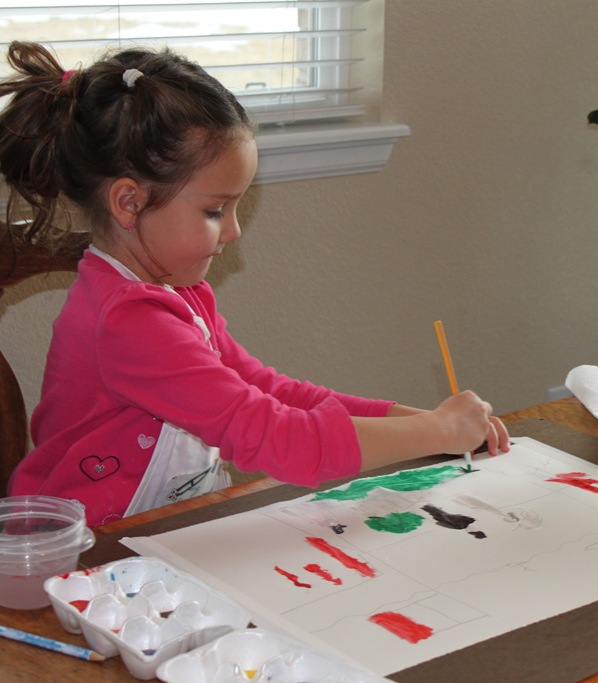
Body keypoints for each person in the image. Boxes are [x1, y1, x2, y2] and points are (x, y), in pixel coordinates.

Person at [0, 42, 510, 526]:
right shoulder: (128, 322)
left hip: (162, 526)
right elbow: (279, 440)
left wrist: (416, 421)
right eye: (215, 210)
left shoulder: (177, 293)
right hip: (86, 556)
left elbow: (269, 391)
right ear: (129, 202)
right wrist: (436, 431)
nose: (234, 230)